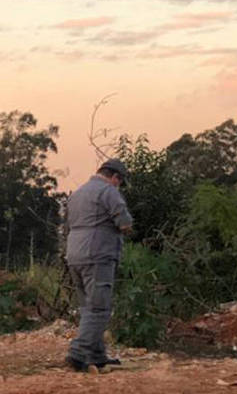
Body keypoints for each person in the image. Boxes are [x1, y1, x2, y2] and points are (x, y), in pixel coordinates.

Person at [63, 158, 133, 372]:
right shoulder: (108, 191)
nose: (118, 185)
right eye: (119, 182)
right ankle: (78, 353)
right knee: (99, 308)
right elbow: (125, 223)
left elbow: (67, 225)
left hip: (74, 255)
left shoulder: (78, 193)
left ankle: (97, 355)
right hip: (97, 255)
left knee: (88, 308)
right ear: (115, 178)